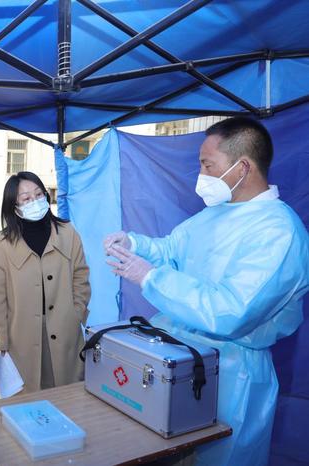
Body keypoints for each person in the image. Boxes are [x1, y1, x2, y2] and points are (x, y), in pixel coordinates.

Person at [104, 116, 309, 466]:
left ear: (242, 167)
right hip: (183, 360)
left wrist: (151, 278)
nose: (200, 174)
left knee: (222, 457)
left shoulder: (278, 232)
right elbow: (172, 248)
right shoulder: (215, 214)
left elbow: (230, 312)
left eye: (207, 164)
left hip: (233, 376)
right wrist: (134, 244)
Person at [0, 171, 90, 393]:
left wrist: (77, 312)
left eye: (39, 194)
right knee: (28, 399)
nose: (35, 201)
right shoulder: (4, 243)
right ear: (14, 207)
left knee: (68, 395)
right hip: (21, 336)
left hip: (65, 330)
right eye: (26, 198)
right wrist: (0, 338)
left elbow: (80, 276)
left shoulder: (68, 233)